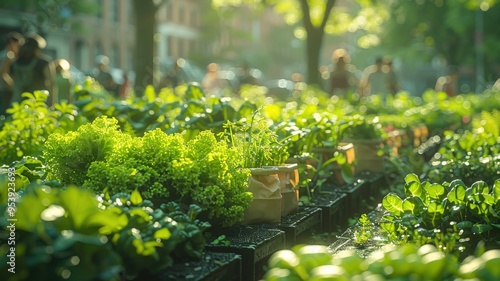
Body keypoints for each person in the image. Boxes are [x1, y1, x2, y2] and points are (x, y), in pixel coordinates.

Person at [7, 33, 56, 105]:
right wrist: (52, 103)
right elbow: (51, 83)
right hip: (37, 103)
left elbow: (5, 75)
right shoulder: (43, 63)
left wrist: (12, 88)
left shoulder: (14, 63)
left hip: (17, 102)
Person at [0, 32, 23, 116]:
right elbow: (3, 74)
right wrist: (13, 87)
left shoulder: (2, 54)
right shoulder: (8, 56)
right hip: (5, 90)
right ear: (12, 43)